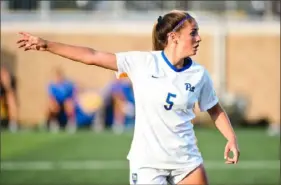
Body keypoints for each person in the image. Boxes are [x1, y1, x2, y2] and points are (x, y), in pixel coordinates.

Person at [16, 10, 240, 185]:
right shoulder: (142, 63)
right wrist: (46, 45)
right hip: (148, 164)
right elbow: (92, 56)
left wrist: (231, 137)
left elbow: (214, 109)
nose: (199, 38)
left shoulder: (199, 74)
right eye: (193, 32)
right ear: (173, 37)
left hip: (187, 161)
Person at [45, 67, 76, 133]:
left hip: (65, 104)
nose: (57, 78)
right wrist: (55, 103)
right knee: (51, 104)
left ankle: (70, 123)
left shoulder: (67, 85)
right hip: (57, 104)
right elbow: (51, 97)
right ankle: (53, 122)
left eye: (58, 75)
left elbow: (71, 97)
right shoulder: (51, 86)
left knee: (69, 103)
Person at [0, 65, 18, 132]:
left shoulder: (10, 81)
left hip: (6, 101)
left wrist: (6, 84)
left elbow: (11, 94)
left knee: (11, 101)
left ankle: (13, 123)